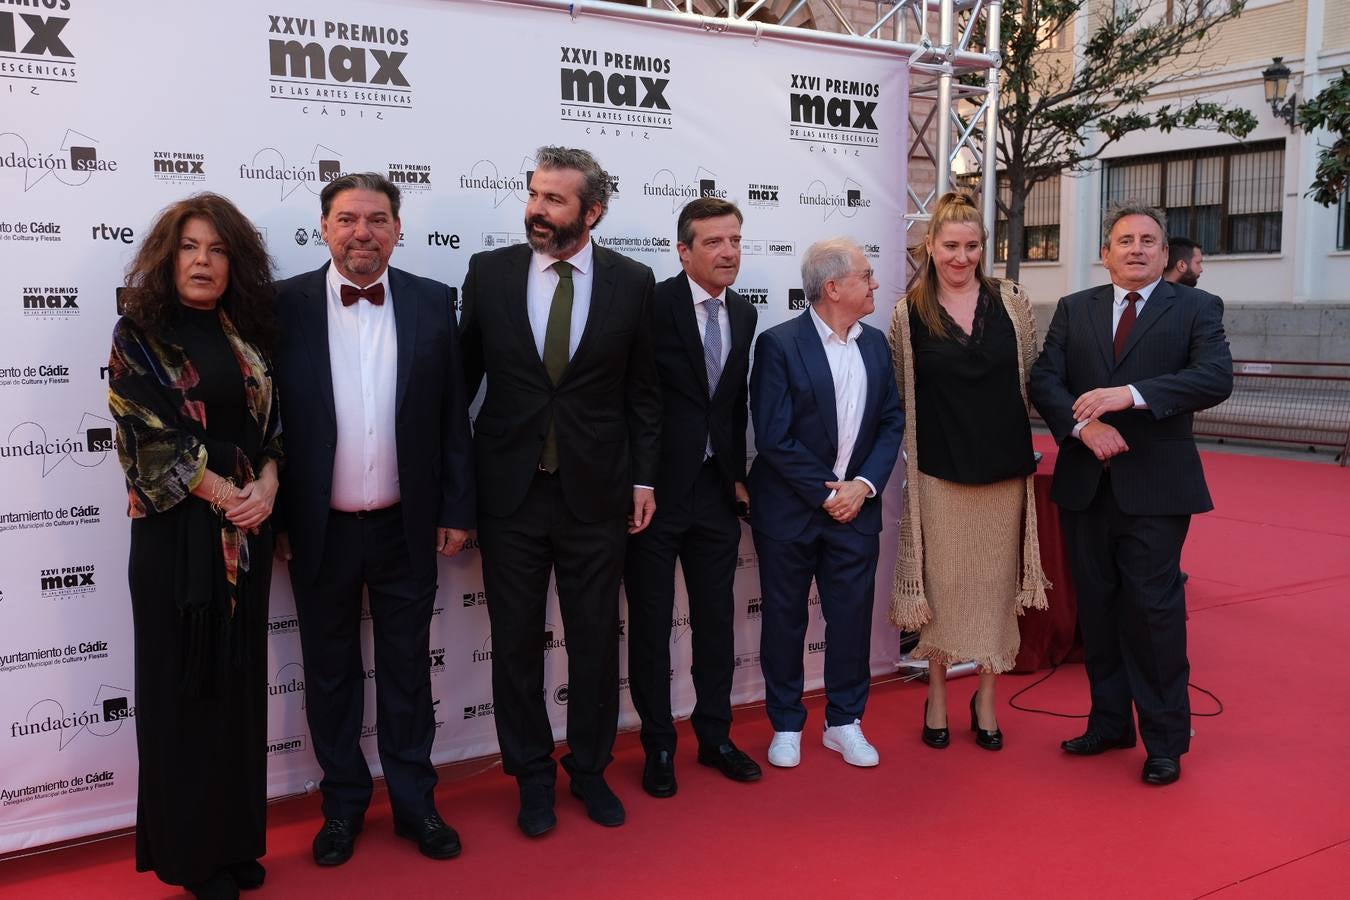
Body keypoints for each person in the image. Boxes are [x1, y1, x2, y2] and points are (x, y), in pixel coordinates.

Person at [272, 172, 475, 864]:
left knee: (407, 673)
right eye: (349, 219)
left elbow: (453, 419)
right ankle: (342, 808)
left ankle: (416, 805)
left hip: (405, 527)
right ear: (324, 226)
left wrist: (454, 506)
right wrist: (274, 522)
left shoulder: (431, 300)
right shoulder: (281, 307)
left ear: (398, 228)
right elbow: (263, 423)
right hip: (317, 530)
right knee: (329, 676)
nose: (364, 232)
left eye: (379, 219)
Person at [459, 146, 661, 835]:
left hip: (596, 494)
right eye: (534, 195)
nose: (536, 210)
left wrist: (642, 478)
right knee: (514, 643)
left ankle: (591, 769)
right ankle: (532, 776)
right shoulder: (488, 275)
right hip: (509, 493)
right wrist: (455, 495)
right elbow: (462, 388)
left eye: (554, 200)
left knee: (596, 640)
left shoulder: (633, 282)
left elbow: (643, 392)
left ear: (593, 211)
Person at [108, 193, 281, 900]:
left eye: (216, 249)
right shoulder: (138, 334)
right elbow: (146, 440)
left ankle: (234, 843)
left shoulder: (250, 335)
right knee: (184, 695)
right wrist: (227, 493)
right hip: (177, 543)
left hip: (247, 539)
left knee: (238, 693)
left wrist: (267, 485)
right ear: (167, 256)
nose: (203, 261)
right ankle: (191, 858)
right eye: (189, 248)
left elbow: (273, 433)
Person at [1030, 203, 1233, 786]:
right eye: (1125, 240)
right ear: (1106, 252)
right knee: (1098, 608)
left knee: (1153, 612)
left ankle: (1165, 740)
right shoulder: (1076, 309)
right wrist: (1082, 426)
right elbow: (1045, 377)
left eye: (1149, 240)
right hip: (1086, 483)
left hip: (1157, 487)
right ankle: (1109, 721)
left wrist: (1131, 395)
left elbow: (1215, 377)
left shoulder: (1196, 307)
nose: (1137, 248)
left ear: (1165, 255)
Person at [888, 192, 1050, 752]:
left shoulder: (1013, 302)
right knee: (941, 589)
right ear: (930, 247)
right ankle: (936, 691)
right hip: (938, 474)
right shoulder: (907, 315)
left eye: (972, 246)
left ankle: (986, 693)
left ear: (985, 249)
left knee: (995, 589)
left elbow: (1031, 378)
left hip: (1004, 473)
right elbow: (900, 395)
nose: (961, 257)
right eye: (950, 246)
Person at [623, 198, 761, 798]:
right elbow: (632, 397)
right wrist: (639, 481)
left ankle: (715, 736)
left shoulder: (746, 313)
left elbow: (729, 404)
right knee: (652, 625)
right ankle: (657, 744)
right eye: (713, 242)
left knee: (716, 622)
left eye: (734, 240)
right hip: (652, 496)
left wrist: (735, 472)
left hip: (713, 494)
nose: (728, 251)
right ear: (683, 251)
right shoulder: (651, 303)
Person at [748, 237, 904, 769]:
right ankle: (787, 723)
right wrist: (827, 493)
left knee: (852, 620)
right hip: (791, 512)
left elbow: (891, 422)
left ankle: (845, 722)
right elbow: (773, 437)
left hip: (856, 510)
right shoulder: (779, 344)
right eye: (866, 275)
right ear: (833, 286)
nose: (875, 284)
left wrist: (862, 486)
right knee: (786, 619)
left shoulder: (877, 344)